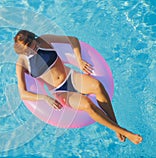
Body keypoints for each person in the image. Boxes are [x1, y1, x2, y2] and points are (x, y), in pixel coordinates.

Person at [13, 30, 143, 144]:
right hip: (60, 91)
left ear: (33, 38)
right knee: (86, 104)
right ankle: (125, 132)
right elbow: (23, 93)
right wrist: (45, 97)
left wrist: (79, 60)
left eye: (33, 45)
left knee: (97, 85)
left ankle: (116, 126)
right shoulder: (21, 63)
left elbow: (73, 40)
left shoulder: (44, 40)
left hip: (71, 77)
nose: (33, 49)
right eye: (28, 49)